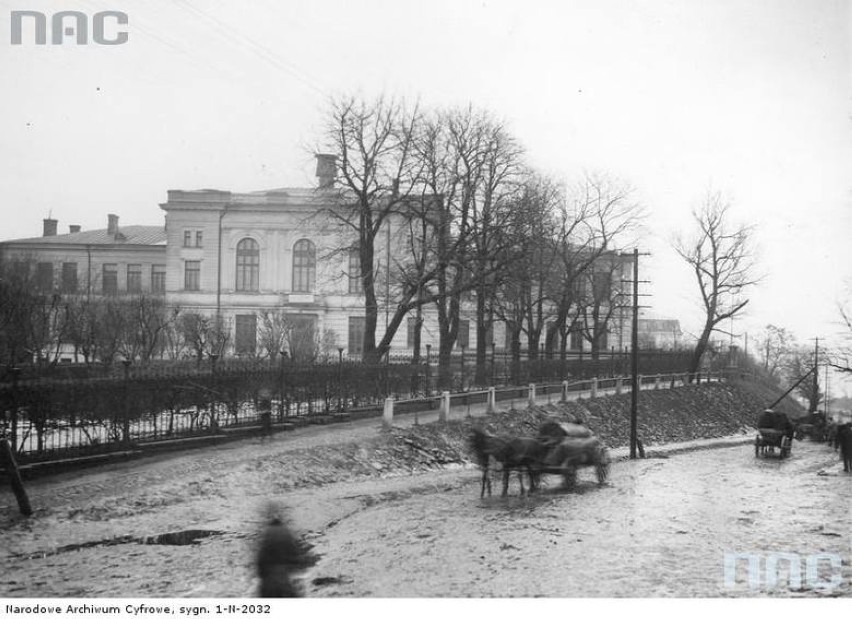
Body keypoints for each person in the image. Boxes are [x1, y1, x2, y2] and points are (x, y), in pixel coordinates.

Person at [256, 506, 308, 597]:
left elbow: (261, 558)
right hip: (282, 576)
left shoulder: (268, 532)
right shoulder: (285, 532)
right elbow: (294, 554)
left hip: (272, 578)